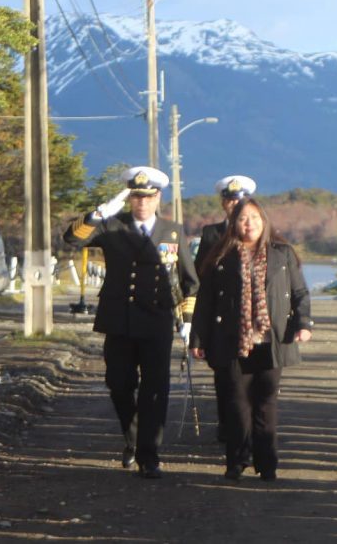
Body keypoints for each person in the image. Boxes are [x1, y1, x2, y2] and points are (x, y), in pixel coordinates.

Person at [63, 166, 199, 478]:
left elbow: (189, 282)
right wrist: (95, 215)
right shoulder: (112, 226)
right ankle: (134, 439)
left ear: (157, 197)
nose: (141, 203)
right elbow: (72, 239)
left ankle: (148, 456)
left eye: (147, 197)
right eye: (136, 197)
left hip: (157, 321)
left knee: (155, 390)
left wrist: (187, 320)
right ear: (129, 199)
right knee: (119, 384)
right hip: (119, 319)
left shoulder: (173, 231)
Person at [190, 198, 313, 481]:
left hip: (272, 340)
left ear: (264, 221)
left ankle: (267, 463)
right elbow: (205, 301)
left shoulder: (282, 254)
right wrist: (198, 338)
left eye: (255, 218)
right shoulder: (221, 256)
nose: (249, 224)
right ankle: (236, 460)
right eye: (243, 218)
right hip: (232, 340)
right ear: (234, 223)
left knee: (266, 402)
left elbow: (300, 294)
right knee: (236, 402)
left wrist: (302, 325)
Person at [194, 175, 257, 442]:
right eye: (230, 200)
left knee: (253, 377)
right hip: (221, 315)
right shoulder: (212, 234)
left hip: (253, 315)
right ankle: (227, 424)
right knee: (224, 375)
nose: (234, 205)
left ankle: (249, 428)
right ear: (223, 203)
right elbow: (200, 274)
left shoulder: (259, 231)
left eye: (239, 200)